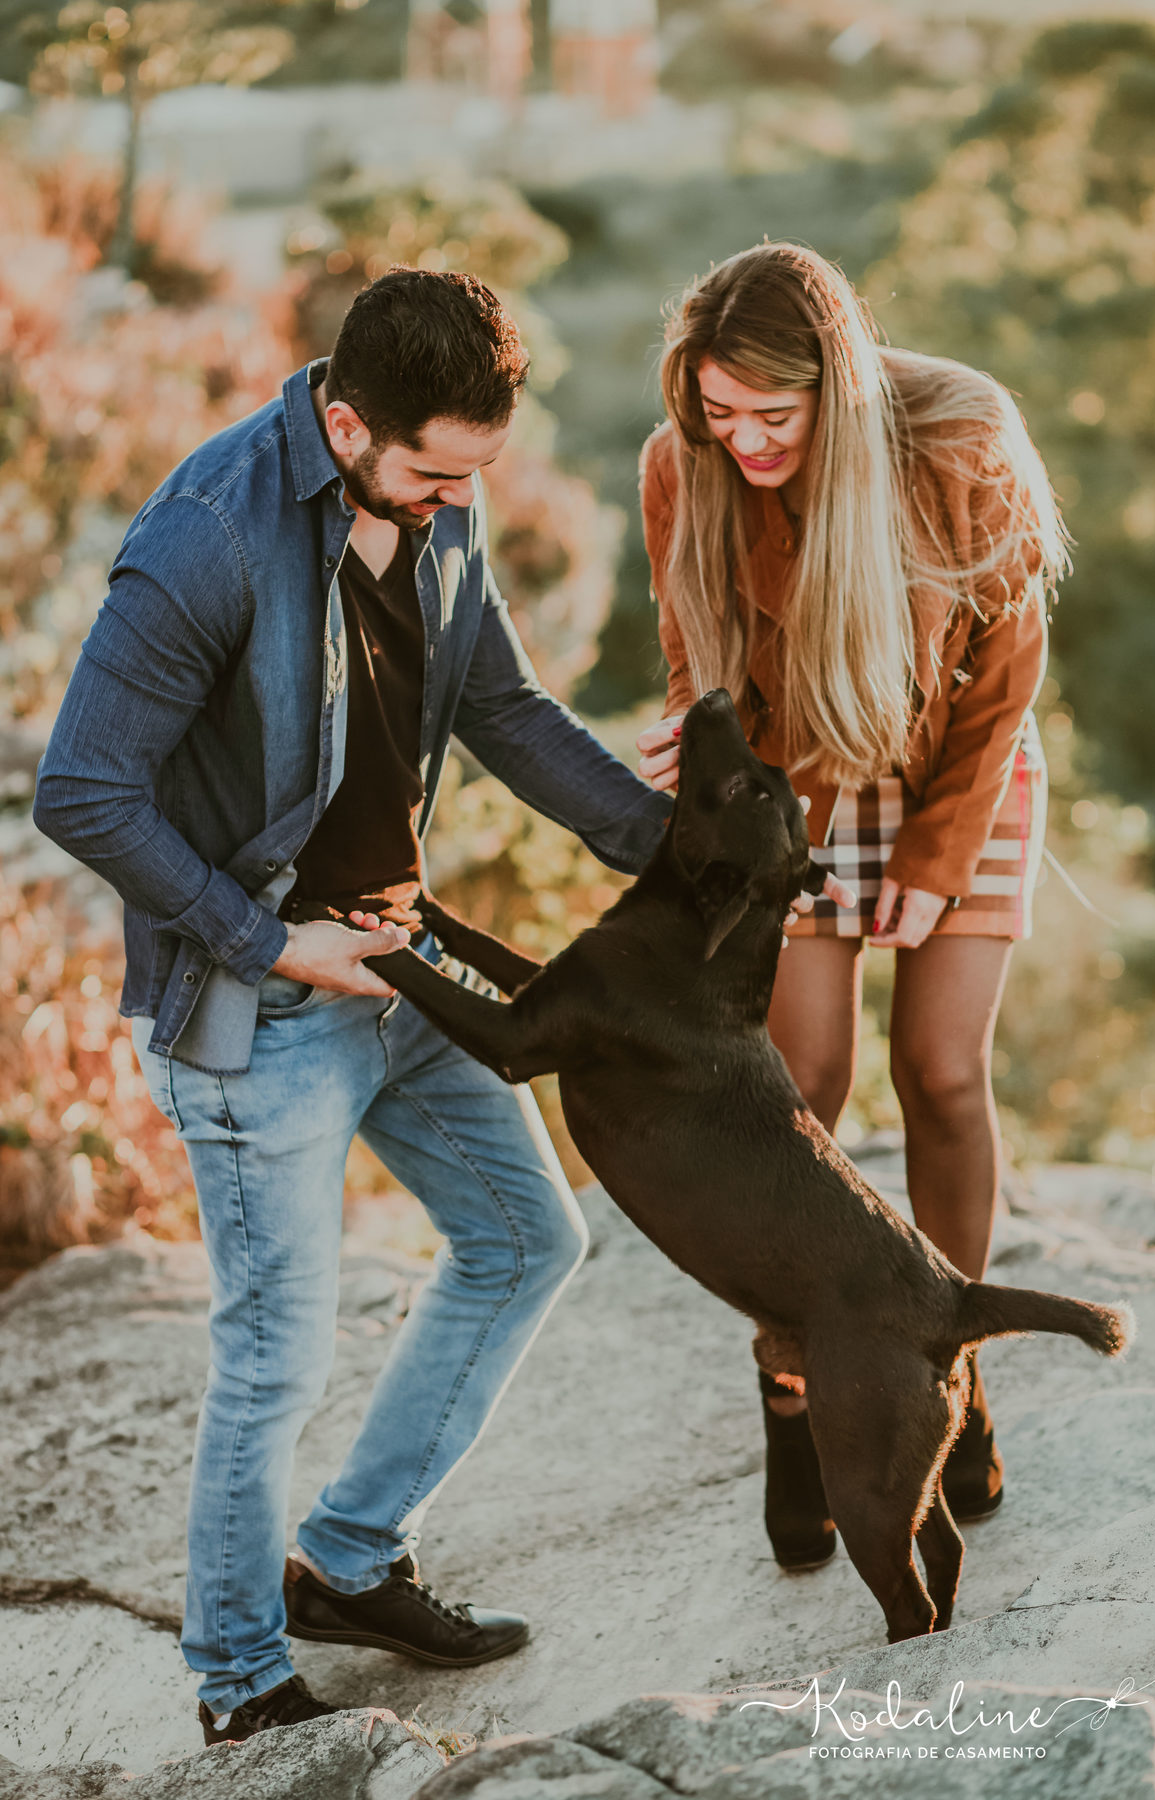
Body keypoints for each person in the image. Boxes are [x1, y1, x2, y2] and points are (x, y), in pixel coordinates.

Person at [34, 267, 674, 1745]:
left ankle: (350, 1559)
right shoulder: (205, 540)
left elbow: (503, 707)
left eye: (479, 475)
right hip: (260, 1002)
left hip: (398, 962)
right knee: (276, 1352)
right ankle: (241, 1676)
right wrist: (265, 940)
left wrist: (667, 843)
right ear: (343, 422)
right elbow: (83, 789)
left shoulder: (441, 507)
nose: (458, 504)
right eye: (435, 473)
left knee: (528, 1239)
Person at [635, 242, 1066, 1570]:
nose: (741, 441)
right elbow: (697, 662)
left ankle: (950, 1364)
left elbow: (1005, 669)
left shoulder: (959, 444)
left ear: (840, 386)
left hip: (955, 776)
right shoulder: (683, 470)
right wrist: (693, 755)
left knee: (937, 1072)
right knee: (795, 1091)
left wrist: (934, 869)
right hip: (789, 794)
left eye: (773, 415)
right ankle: (796, 1390)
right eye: (717, 413)